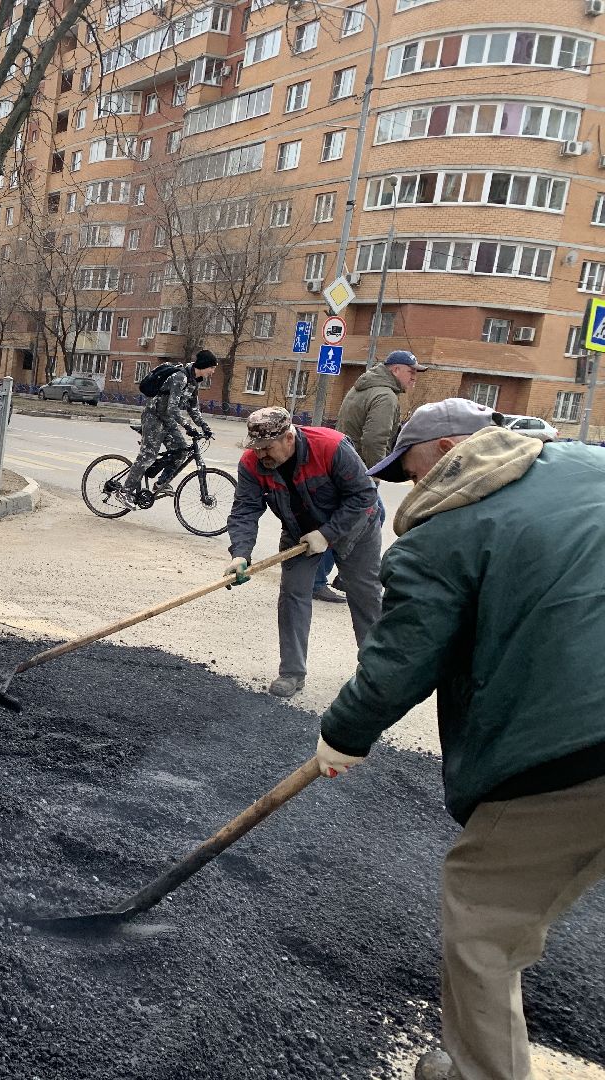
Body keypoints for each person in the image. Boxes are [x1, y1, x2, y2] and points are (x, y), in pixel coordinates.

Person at [310, 398, 605, 1080]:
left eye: (410, 472)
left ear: (446, 453)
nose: (413, 490)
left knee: (483, 915)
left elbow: (398, 664)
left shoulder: (448, 531)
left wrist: (342, 735)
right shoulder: (592, 467)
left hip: (576, 748)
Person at [223, 406, 382, 698]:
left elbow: (364, 494)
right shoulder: (251, 464)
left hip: (355, 527)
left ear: (288, 437)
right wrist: (240, 554)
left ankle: (375, 671)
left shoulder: (331, 447)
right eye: (256, 449)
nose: (261, 456)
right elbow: (245, 509)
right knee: (293, 595)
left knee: (365, 596)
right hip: (299, 532)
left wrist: (328, 534)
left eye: (267, 448)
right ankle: (292, 673)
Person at [312, 349, 425, 603]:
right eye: (411, 372)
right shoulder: (385, 396)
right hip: (358, 471)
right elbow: (375, 439)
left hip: (344, 465)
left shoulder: (363, 386)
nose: (414, 378)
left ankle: (342, 575)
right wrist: (375, 474)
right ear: (395, 370)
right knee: (352, 523)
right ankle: (319, 580)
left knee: (363, 519)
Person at [121, 349, 216, 507]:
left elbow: (193, 408)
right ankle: (125, 491)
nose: (213, 371)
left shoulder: (194, 382)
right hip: (154, 417)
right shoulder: (180, 377)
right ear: (204, 366)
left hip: (167, 420)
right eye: (212, 367)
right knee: (148, 456)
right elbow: (172, 408)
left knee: (182, 451)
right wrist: (187, 426)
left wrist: (204, 426)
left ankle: (161, 484)